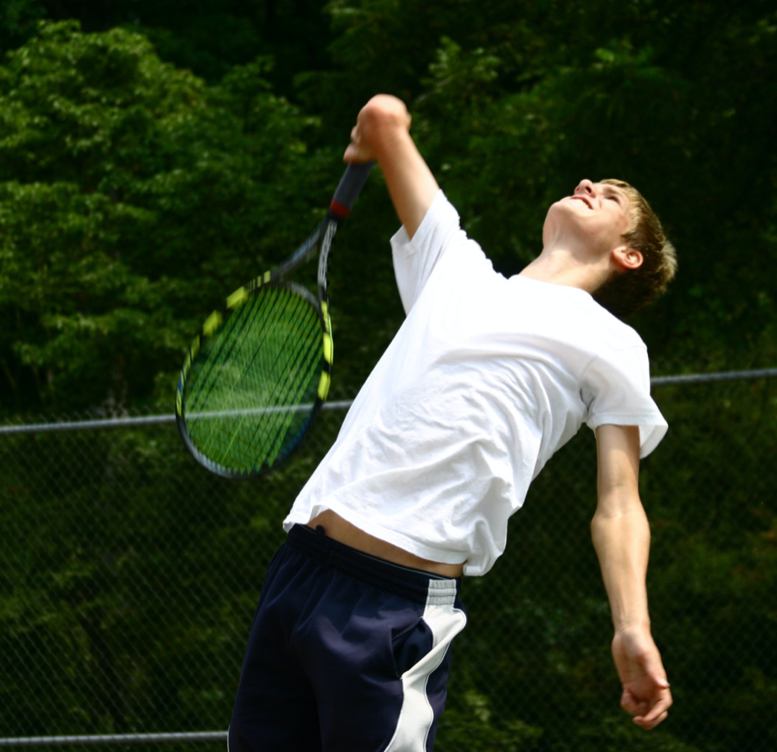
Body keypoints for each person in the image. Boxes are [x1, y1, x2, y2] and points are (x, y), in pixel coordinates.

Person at [228, 94, 677, 751]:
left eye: (609, 196)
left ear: (629, 256)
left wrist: (631, 625)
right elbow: (385, 118)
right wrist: (376, 129)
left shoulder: (612, 343)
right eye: (591, 182)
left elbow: (619, 503)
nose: (587, 184)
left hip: (394, 604)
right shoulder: (456, 271)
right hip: (298, 571)